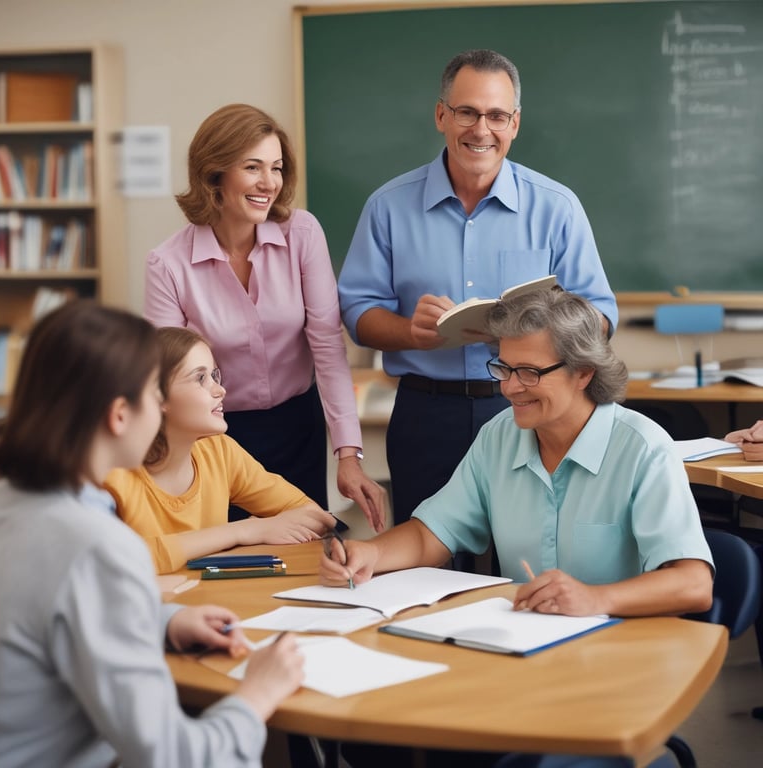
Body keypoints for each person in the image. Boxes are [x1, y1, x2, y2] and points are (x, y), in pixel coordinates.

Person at [320, 288, 712, 768]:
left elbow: (694, 583)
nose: (508, 387)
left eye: (529, 372)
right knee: (384, 732)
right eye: (503, 368)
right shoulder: (500, 436)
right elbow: (432, 532)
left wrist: (596, 599)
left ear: (584, 372)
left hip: (613, 670)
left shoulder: (643, 448)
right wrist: (370, 555)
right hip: (522, 659)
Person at [0, 300, 304, 768]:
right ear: (120, 416)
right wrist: (257, 695)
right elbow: (176, 758)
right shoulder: (97, 547)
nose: (159, 409)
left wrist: (162, 621)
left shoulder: (10, 500)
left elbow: (48, 614)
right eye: (151, 396)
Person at [338, 49, 618, 527]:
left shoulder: (556, 207)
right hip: (425, 414)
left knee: (528, 551)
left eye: (496, 115)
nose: (481, 129)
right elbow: (358, 312)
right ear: (441, 115)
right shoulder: (387, 206)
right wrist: (411, 332)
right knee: (423, 561)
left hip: (527, 407)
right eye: (467, 112)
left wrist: (539, 331)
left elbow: (601, 316)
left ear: (515, 124)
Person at [145, 103, 385, 531]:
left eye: (276, 168)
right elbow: (169, 375)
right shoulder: (168, 264)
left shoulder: (303, 233)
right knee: (229, 558)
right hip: (213, 438)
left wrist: (349, 455)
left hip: (299, 426)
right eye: (252, 167)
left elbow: (327, 348)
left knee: (307, 555)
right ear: (214, 173)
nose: (268, 183)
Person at [104, 326, 336, 574]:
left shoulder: (219, 452)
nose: (220, 390)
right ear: (157, 398)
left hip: (207, 604)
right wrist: (244, 531)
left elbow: (313, 516)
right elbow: (118, 563)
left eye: (215, 375)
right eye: (200, 378)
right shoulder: (111, 475)